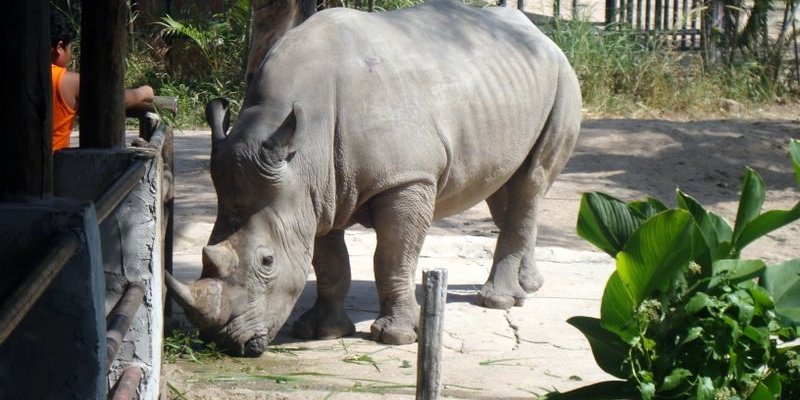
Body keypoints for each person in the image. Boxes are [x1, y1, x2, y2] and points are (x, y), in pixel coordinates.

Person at [50, 10, 155, 152]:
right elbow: (115, 99)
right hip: (53, 168)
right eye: (70, 48)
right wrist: (145, 91)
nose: (71, 55)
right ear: (59, 47)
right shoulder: (67, 81)